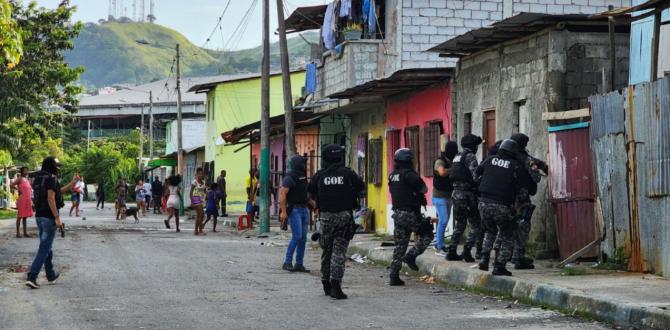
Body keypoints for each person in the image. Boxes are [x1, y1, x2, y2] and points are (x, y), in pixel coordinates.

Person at [308, 144, 365, 299]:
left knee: (327, 251)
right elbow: (362, 189)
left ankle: (326, 283)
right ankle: (336, 286)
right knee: (339, 252)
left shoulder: (320, 175)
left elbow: (310, 192)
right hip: (344, 217)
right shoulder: (348, 174)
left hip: (325, 218)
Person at [476, 139, 532, 276]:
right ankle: (499, 266)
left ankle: (484, 257)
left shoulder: (488, 160)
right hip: (501, 204)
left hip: (482, 203)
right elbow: (523, 188)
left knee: (490, 231)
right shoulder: (515, 165)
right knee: (508, 235)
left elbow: (477, 175)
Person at [25, 157, 79, 289]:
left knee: (46, 246)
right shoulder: (51, 179)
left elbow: (58, 192)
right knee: (44, 248)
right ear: (51, 166)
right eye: (57, 166)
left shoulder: (40, 179)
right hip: (49, 218)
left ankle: (50, 275)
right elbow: (50, 198)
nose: (58, 168)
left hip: (39, 217)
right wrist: (57, 217)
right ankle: (32, 276)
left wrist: (73, 182)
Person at [388, 148, 432, 286]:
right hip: (409, 213)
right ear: (409, 161)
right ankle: (411, 255)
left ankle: (394, 276)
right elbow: (423, 188)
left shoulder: (393, 175)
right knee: (427, 235)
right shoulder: (409, 174)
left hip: (397, 214)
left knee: (400, 245)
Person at [509, 133, 548, 270]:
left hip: (505, 199)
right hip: (521, 198)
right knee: (523, 227)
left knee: (509, 227)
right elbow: (536, 178)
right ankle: (518, 257)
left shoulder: (503, 157)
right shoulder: (526, 159)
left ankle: (509, 255)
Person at [445, 134, 483, 262]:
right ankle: (467, 250)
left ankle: (451, 251)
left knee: (459, 224)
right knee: (476, 224)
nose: (477, 148)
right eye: (476, 145)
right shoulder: (470, 156)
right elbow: (476, 176)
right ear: (472, 145)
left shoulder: (457, 156)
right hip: (467, 195)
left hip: (456, 194)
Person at [280, 155, 311, 272]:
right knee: (297, 236)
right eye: (303, 163)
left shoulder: (303, 177)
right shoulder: (290, 177)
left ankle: (299, 263)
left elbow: (304, 194)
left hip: (304, 209)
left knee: (303, 238)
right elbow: (282, 194)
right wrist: (283, 212)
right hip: (294, 210)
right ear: (298, 164)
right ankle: (287, 262)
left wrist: (314, 204)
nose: (305, 166)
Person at [432, 141, 458, 255]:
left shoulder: (451, 161)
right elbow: (442, 172)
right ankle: (439, 246)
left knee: (445, 220)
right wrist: (454, 169)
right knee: (443, 220)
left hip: (448, 195)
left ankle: (438, 241)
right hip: (439, 196)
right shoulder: (440, 161)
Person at [11, 167, 33, 238]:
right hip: (22, 199)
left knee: (25, 217)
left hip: (27, 199)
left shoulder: (26, 179)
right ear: (21, 172)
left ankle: (25, 232)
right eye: (25, 171)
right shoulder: (20, 178)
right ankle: (18, 233)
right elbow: (11, 185)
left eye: (27, 170)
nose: (26, 172)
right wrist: (18, 189)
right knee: (20, 216)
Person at [190, 168, 207, 235]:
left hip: (201, 199)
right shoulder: (194, 182)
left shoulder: (203, 182)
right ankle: (199, 230)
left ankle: (197, 230)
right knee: (200, 214)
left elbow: (205, 191)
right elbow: (191, 192)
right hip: (196, 198)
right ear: (196, 174)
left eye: (201, 174)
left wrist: (208, 196)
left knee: (201, 215)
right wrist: (192, 201)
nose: (200, 175)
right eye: (199, 174)